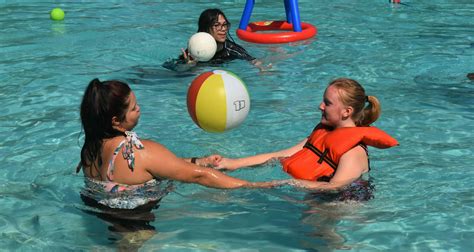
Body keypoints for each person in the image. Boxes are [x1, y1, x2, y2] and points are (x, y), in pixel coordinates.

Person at [77, 78, 289, 212]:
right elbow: (199, 176)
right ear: (116, 120)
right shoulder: (140, 152)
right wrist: (253, 186)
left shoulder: (89, 151)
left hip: (104, 220)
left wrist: (200, 161)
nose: (139, 109)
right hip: (138, 233)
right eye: (133, 108)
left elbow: (158, 167)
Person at [213, 78, 398, 197]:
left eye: (327, 103)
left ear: (346, 112)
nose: (320, 106)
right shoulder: (323, 133)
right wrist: (233, 163)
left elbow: (337, 187)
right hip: (315, 194)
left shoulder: (353, 152)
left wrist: (291, 183)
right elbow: (280, 155)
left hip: (343, 205)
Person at [163, 8, 267, 71]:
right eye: (217, 25)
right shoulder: (196, 48)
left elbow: (253, 60)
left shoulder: (230, 49)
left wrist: (263, 69)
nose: (223, 29)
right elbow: (173, 70)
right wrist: (188, 66)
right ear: (205, 28)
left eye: (225, 25)